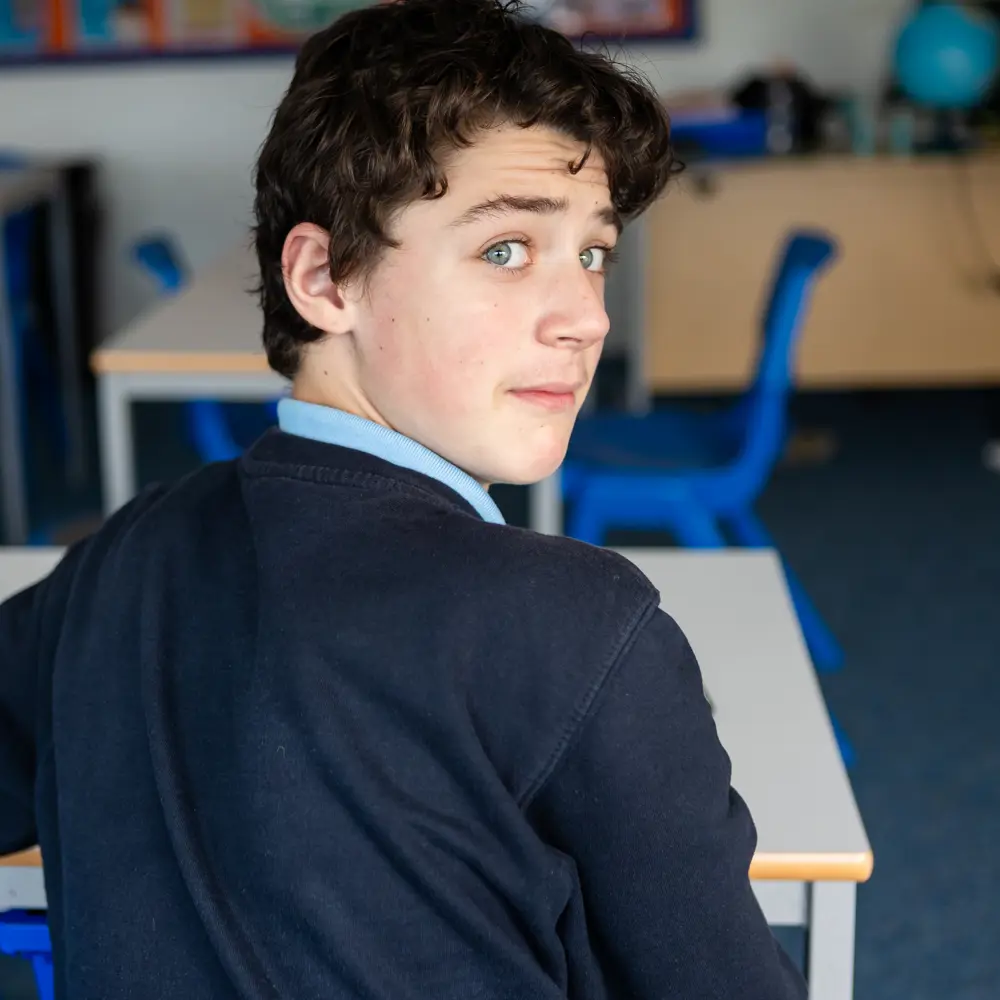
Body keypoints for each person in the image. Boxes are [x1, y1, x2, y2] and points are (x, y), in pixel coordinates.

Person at [0, 0, 808, 996]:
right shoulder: (578, 628)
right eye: (507, 249)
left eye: (592, 253)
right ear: (323, 277)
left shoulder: (121, 555)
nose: (584, 318)